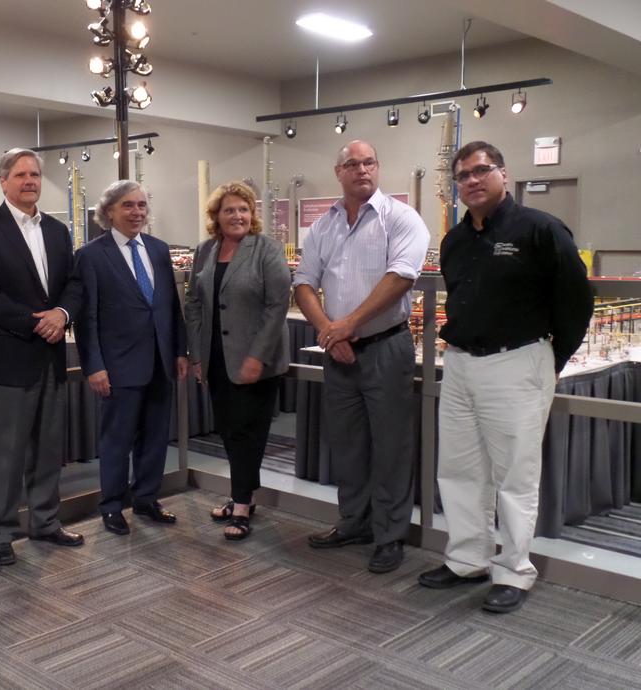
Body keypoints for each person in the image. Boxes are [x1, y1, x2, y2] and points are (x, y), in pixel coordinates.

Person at [418, 141, 593, 613]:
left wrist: (550, 360)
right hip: (458, 363)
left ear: (502, 173)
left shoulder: (540, 229)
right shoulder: (455, 241)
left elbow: (577, 302)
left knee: (515, 474)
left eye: (481, 171)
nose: (472, 181)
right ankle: (466, 559)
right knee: (457, 469)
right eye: (463, 176)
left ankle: (514, 570)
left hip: (516, 363)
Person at [294, 139, 430, 573]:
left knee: (391, 445)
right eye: (352, 164)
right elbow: (303, 283)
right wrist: (330, 333)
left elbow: (401, 278)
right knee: (348, 444)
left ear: (379, 166)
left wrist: (344, 327)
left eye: (369, 162)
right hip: (338, 352)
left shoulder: (402, 219)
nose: (362, 170)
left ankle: (390, 535)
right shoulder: (324, 226)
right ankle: (354, 521)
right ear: (339, 173)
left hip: (386, 347)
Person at [0, 148, 85, 566]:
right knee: (6, 453)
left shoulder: (57, 231)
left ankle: (46, 522)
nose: (30, 181)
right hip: (11, 360)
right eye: (20, 175)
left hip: (52, 358)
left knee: (48, 447)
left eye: (35, 174)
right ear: (4, 181)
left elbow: (73, 284)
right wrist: (39, 321)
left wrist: (63, 314)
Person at [74, 181, 188, 535]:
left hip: (160, 362)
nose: (137, 212)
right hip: (118, 366)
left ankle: (146, 499)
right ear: (109, 211)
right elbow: (86, 317)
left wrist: (179, 350)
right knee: (116, 440)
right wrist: (94, 365)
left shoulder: (157, 249)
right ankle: (111, 506)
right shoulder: (91, 255)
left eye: (141, 205)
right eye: (128, 206)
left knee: (155, 436)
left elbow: (170, 306)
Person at [184, 181, 291, 540]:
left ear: (252, 214)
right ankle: (240, 493)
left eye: (244, 209)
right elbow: (195, 303)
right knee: (229, 430)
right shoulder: (205, 251)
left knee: (248, 431)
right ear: (216, 216)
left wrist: (257, 357)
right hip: (216, 358)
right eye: (230, 210)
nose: (238, 216)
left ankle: (242, 504)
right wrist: (197, 356)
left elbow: (278, 306)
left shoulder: (267, 249)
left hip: (256, 361)